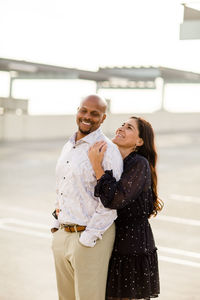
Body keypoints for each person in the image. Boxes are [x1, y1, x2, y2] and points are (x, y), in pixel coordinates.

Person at [51, 95, 123, 300]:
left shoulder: (107, 150)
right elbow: (62, 186)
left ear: (103, 118)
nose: (87, 117)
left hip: (90, 239)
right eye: (83, 110)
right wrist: (56, 226)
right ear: (77, 111)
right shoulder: (69, 146)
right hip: (63, 234)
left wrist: (87, 239)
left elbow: (111, 203)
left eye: (94, 114)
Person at [88, 116, 163, 300]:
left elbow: (114, 199)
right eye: (122, 124)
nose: (121, 128)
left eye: (129, 127)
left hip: (132, 247)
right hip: (113, 243)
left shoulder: (138, 163)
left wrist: (97, 166)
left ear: (139, 141)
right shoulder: (114, 160)